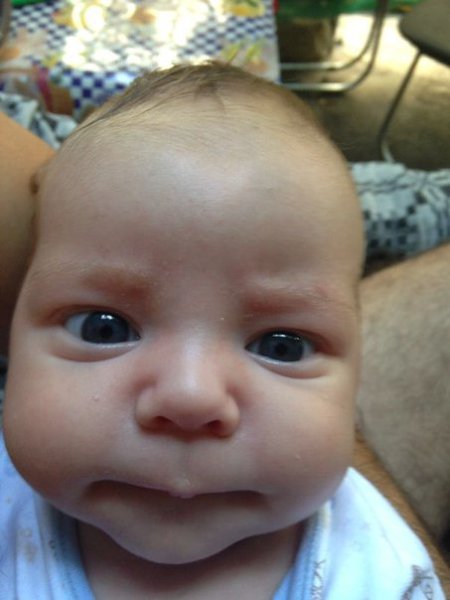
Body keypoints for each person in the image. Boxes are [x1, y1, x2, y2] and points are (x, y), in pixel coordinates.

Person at [0, 63, 446, 599]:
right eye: (103, 329)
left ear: (357, 383)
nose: (190, 396)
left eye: (282, 346)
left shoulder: (383, 579)